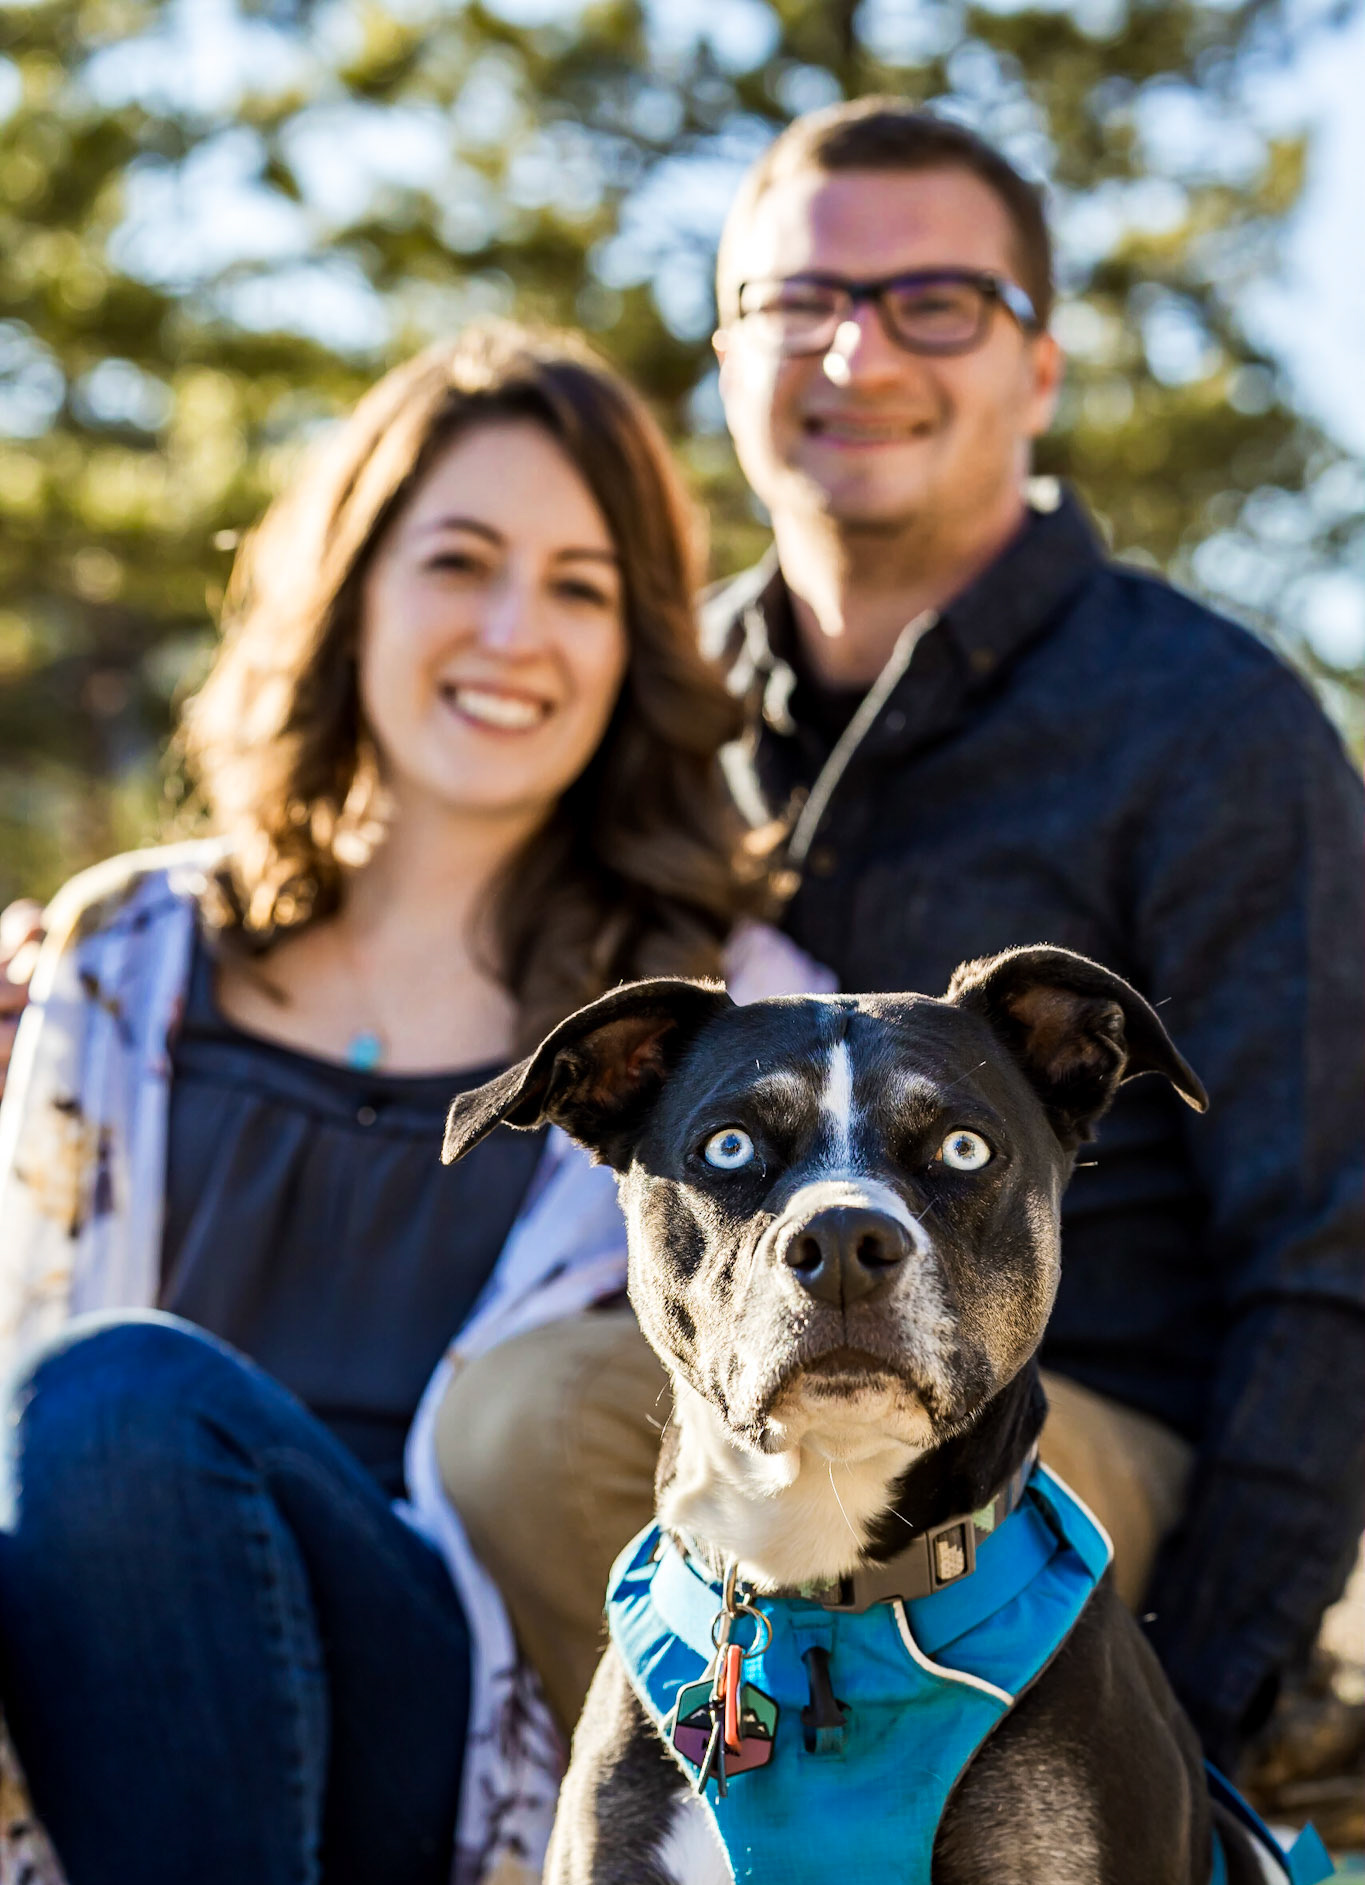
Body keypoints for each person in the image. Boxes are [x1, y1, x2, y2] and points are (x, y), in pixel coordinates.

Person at [439, 99, 1364, 1778]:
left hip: (1079, 1453)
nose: (856, 351)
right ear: (727, 351)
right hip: (732, 1396)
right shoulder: (660, 703)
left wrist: (1198, 1703)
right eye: (796, 302)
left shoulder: (1210, 723)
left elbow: (1335, 1256)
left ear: (1039, 368)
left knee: (537, 1425)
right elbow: (426, 892)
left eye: (934, 302)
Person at [0, 321, 817, 1885]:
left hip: (445, 1759)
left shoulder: (717, 1031)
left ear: (635, 648)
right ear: (352, 588)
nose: (515, 633)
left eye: (582, 588)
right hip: (95, 1718)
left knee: (125, 1404)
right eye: (461, 561)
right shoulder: (122, 953)